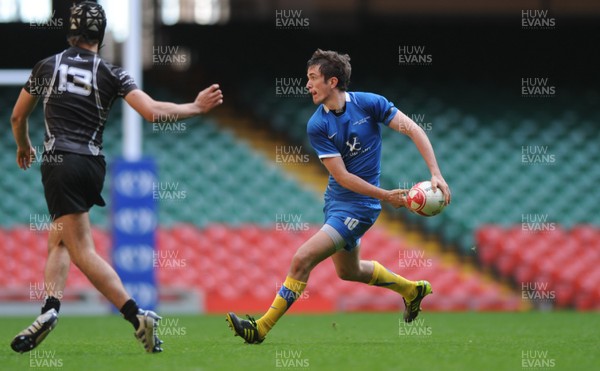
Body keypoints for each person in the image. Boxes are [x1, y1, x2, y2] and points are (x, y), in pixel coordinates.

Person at [10, 1, 223, 353]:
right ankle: (50, 308)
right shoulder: (112, 72)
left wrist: (23, 147)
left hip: (59, 161)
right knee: (60, 238)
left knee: (81, 249)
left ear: (70, 32)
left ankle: (136, 314)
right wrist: (195, 107)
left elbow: (18, 118)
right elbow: (153, 113)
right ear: (101, 36)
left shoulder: (46, 67)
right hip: (92, 165)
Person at [226, 49, 450, 344]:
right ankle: (411, 290)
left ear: (332, 81)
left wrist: (435, 173)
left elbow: (413, 130)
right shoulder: (317, 124)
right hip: (336, 202)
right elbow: (342, 177)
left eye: (313, 78)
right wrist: (387, 195)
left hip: (361, 207)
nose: (307, 85)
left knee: (302, 259)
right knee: (350, 271)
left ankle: (261, 328)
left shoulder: (370, 104)